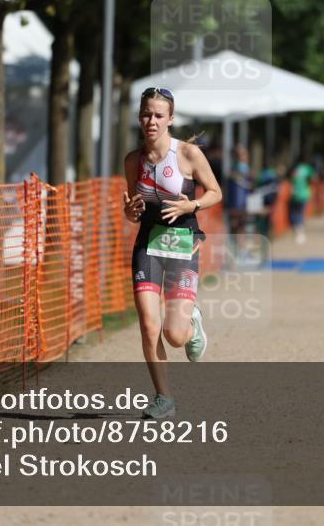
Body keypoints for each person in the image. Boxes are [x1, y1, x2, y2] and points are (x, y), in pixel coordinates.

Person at [123, 87, 223, 419]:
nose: (152, 121)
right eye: (146, 114)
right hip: (147, 245)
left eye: (158, 115)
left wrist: (191, 204)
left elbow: (215, 192)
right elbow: (132, 211)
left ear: (170, 119)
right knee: (149, 325)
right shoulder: (133, 161)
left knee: (174, 335)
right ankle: (163, 397)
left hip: (182, 243)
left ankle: (191, 323)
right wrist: (131, 211)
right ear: (140, 117)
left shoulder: (188, 154)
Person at [289, 158, 315, 244]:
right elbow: (313, 177)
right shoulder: (307, 168)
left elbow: (291, 181)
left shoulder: (294, 170)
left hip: (295, 195)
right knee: (300, 212)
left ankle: (297, 230)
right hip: (304, 194)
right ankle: (300, 231)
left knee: (295, 212)